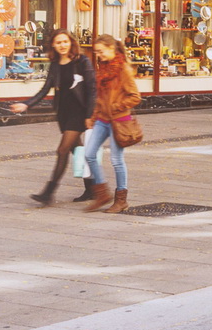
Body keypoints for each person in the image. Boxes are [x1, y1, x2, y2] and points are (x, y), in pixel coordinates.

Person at [9, 30, 97, 206]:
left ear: (71, 42)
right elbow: (45, 89)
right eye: (58, 43)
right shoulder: (56, 64)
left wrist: (89, 115)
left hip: (79, 113)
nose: (62, 45)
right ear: (54, 46)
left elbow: (92, 89)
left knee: (62, 150)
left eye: (65, 41)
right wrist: (27, 104)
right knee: (78, 151)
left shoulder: (82, 61)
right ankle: (92, 188)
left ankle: (48, 193)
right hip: (63, 113)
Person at [79, 35, 141, 213]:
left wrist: (116, 106)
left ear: (112, 49)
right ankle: (102, 194)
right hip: (102, 120)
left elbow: (135, 96)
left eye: (101, 51)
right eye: (96, 52)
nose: (98, 55)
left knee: (116, 160)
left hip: (119, 121)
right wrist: (94, 115)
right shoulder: (103, 68)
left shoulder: (123, 69)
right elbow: (100, 96)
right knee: (89, 154)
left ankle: (121, 200)